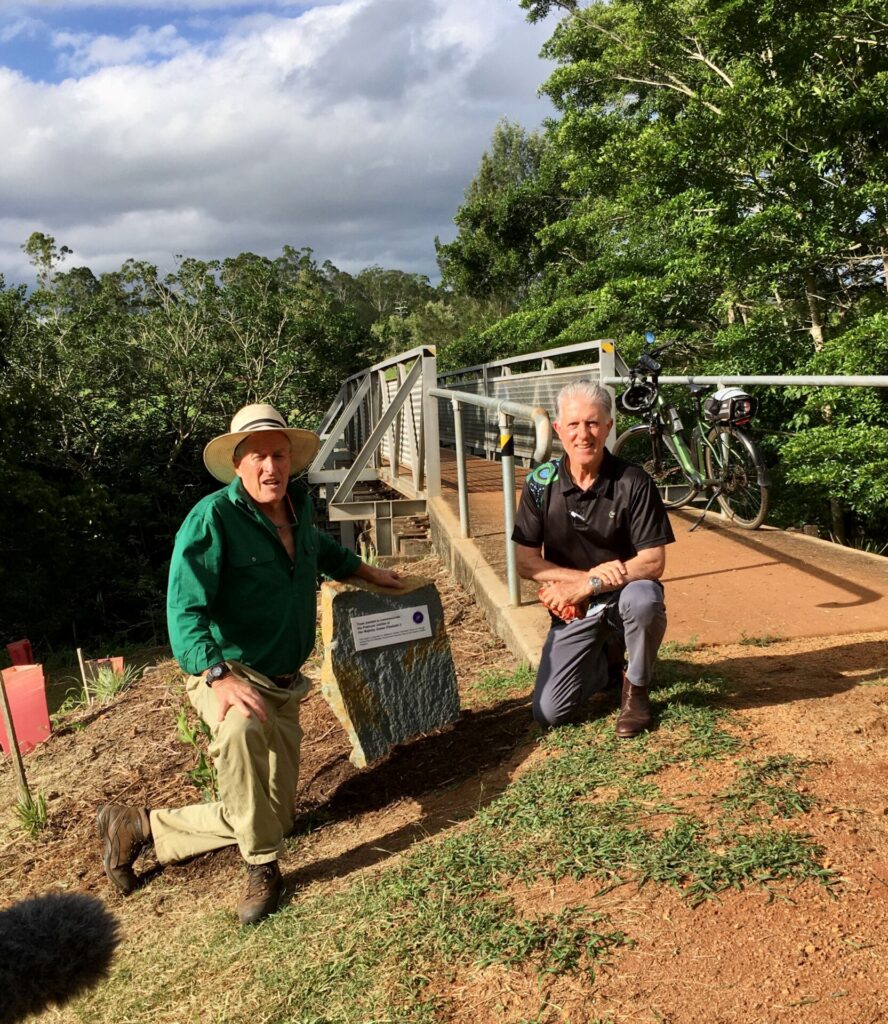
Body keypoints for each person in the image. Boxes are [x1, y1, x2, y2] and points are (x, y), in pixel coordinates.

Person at [97, 403, 403, 924]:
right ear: (237, 464)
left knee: (273, 816)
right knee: (239, 731)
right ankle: (263, 869)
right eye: (258, 456)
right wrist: (216, 676)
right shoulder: (211, 519)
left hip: (285, 684)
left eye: (279, 455)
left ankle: (140, 827)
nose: (271, 467)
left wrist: (367, 573)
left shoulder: (298, 507)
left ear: (291, 460)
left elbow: (319, 551)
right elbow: (184, 609)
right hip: (232, 674)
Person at [512, 380, 675, 735]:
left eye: (592, 423)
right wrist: (578, 586)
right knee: (549, 712)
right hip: (576, 609)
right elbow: (526, 562)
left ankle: (637, 691)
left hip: (623, 595)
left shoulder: (634, 481)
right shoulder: (540, 484)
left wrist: (590, 583)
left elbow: (652, 562)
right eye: (573, 424)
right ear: (558, 429)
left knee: (645, 598)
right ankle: (605, 663)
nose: (583, 434)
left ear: (608, 426)